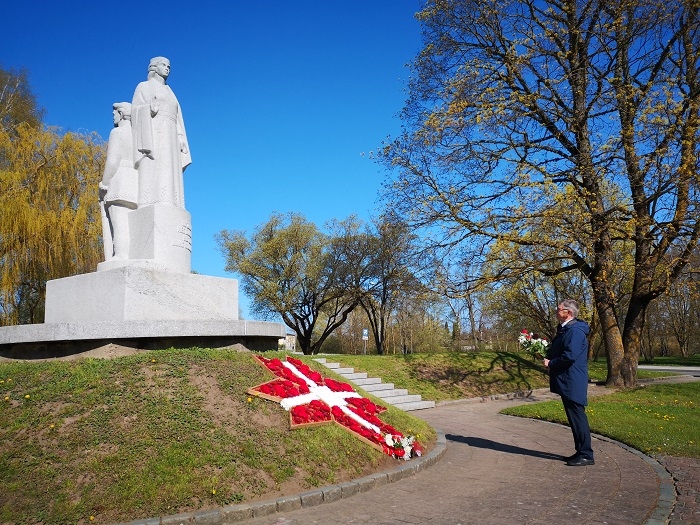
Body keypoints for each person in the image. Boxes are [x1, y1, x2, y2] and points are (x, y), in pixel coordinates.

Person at [131, 56, 191, 208]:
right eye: (163, 65)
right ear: (154, 67)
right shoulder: (143, 87)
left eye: (169, 66)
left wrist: (180, 136)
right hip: (154, 133)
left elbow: (177, 118)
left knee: (171, 169)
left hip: (171, 135)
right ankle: (153, 200)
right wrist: (147, 109)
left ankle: (172, 201)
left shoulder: (170, 91)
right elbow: (134, 112)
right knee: (156, 167)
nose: (167, 69)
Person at [543, 299, 594, 466]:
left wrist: (551, 363)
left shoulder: (575, 331)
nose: (556, 312)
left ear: (568, 313)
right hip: (568, 379)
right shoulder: (566, 330)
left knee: (578, 417)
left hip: (573, 380)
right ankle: (581, 451)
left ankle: (586, 454)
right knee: (574, 417)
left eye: (558, 309)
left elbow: (570, 355)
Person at [99, 102, 138, 260]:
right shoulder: (138, 136)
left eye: (115, 113)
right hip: (135, 180)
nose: (113, 116)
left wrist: (105, 182)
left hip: (120, 179)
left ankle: (121, 254)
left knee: (119, 219)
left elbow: (113, 161)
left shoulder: (117, 132)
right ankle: (130, 254)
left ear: (121, 114)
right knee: (131, 222)